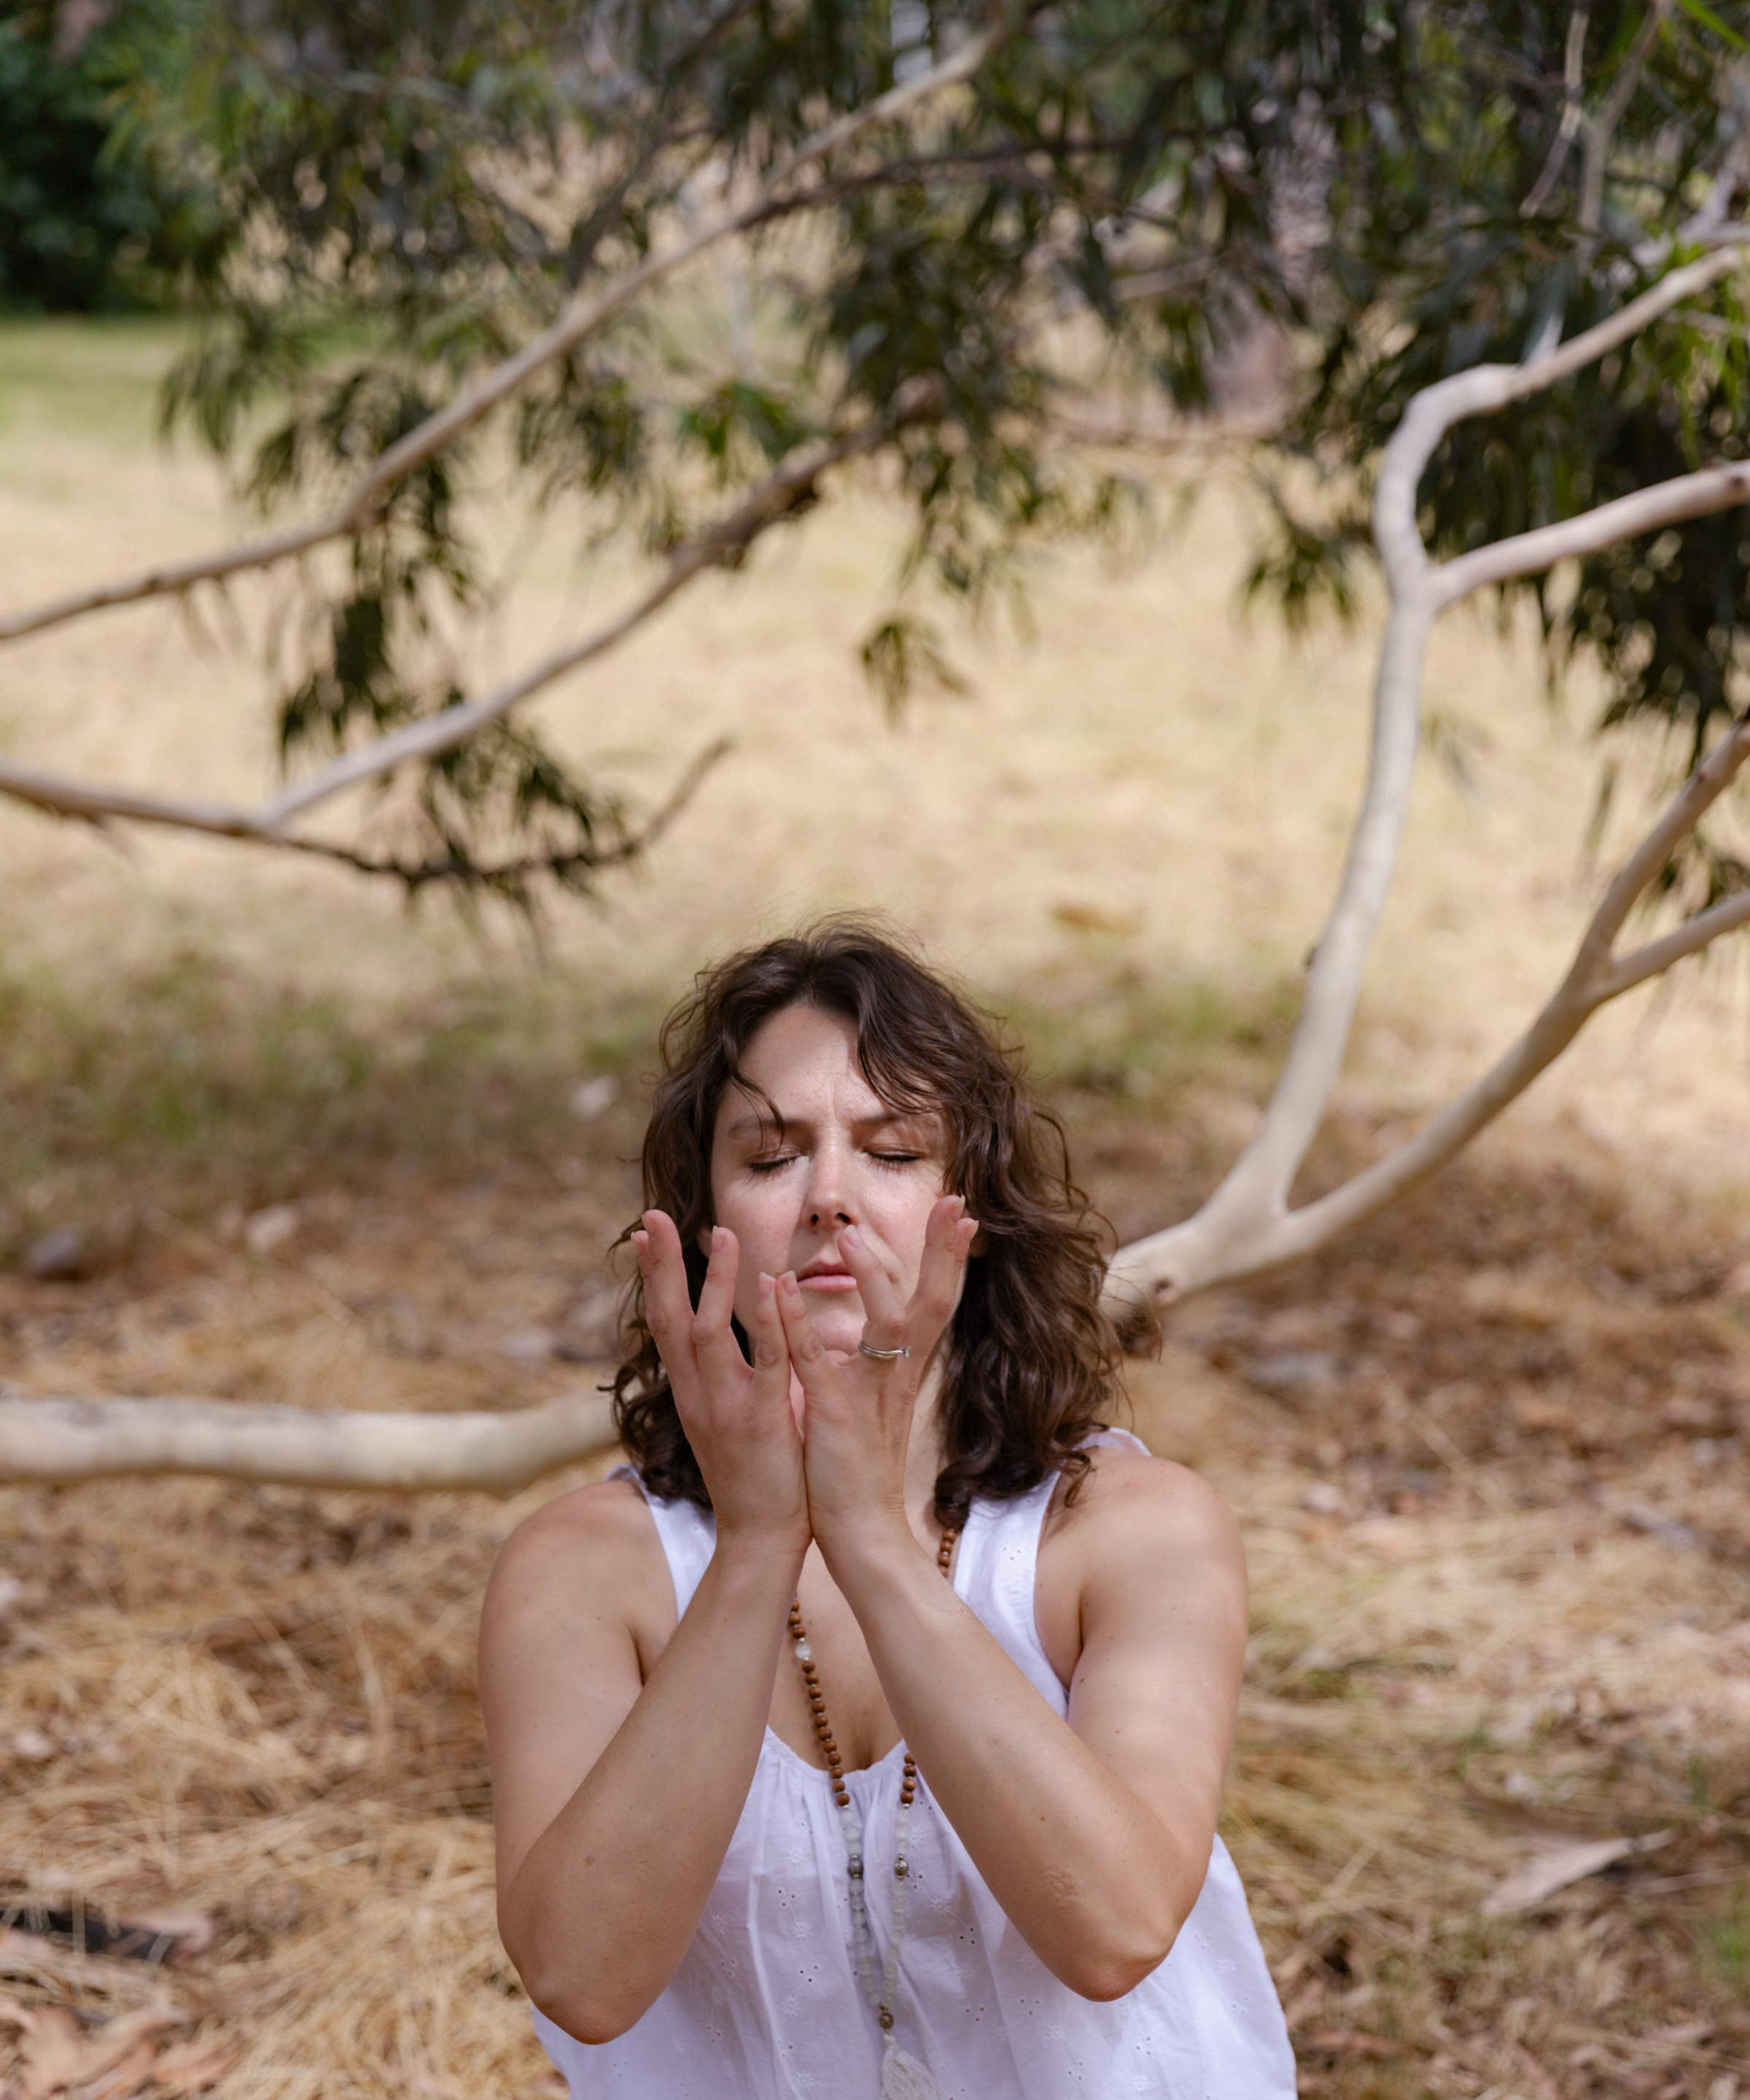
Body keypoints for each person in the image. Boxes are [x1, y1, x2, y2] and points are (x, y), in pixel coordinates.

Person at [479, 920, 1295, 2100]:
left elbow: (1114, 1930)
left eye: (893, 1151)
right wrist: (759, 1549)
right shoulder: (583, 1571)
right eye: (771, 1158)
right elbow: (582, 1978)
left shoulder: (1132, 1531)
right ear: (704, 1222)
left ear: (974, 1207)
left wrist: (867, 1537)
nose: (830, 1198)